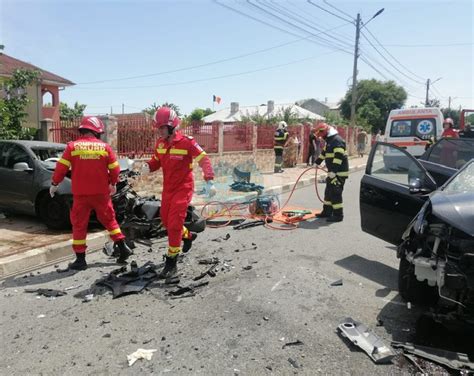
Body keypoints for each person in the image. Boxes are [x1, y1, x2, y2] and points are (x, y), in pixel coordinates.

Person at [142, 107, 216, 279]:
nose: (159, 131)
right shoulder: (161, 144)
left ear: (172, 126)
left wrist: (209, 180)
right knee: (167, 223)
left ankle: (171, 262)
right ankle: (188, 236)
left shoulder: (187, 142)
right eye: (158, 128)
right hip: (168, 189)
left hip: (184, 188)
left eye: (162, 128)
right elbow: (156, 161)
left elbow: (204, 159)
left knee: (174, 224)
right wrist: (148, 166)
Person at [50, 116, 132, 270]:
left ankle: (80, 260)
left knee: (79, 225)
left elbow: (61, 168)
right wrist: (113, 183)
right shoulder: (105, 147)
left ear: (82, 131)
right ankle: (122, 248)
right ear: (97, 132)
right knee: (110, 221)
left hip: (81, 195)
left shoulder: (72, 147)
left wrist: (55, 183)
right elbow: (115, 169)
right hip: (101, 193)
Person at [314, 123, 349, 223]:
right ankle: (327, 212)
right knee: (328, 193)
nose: (321, 137)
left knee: (335, 193)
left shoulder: (337, 140)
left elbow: (338, 157)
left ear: (325, 132)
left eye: (321, 135)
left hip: (339, 173)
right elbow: (324, 153)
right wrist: (317, 163)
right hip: (332, 172)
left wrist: (333, 171)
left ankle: (338, 215)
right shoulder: (330, 141)